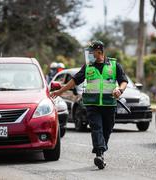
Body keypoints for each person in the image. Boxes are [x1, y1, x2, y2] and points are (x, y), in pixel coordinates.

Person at [51, 40, 128, 169]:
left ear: (100, 52)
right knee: (96, 128)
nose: (90, 54)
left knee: (107, 130)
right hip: (92, 104)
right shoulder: (88, 66)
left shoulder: (114, 65)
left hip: (109, 104)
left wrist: (119, 90)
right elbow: (74, 81)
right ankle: (99, 154)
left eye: (93, 52)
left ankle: (101, 151)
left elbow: (123, 81)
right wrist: (59, 91)